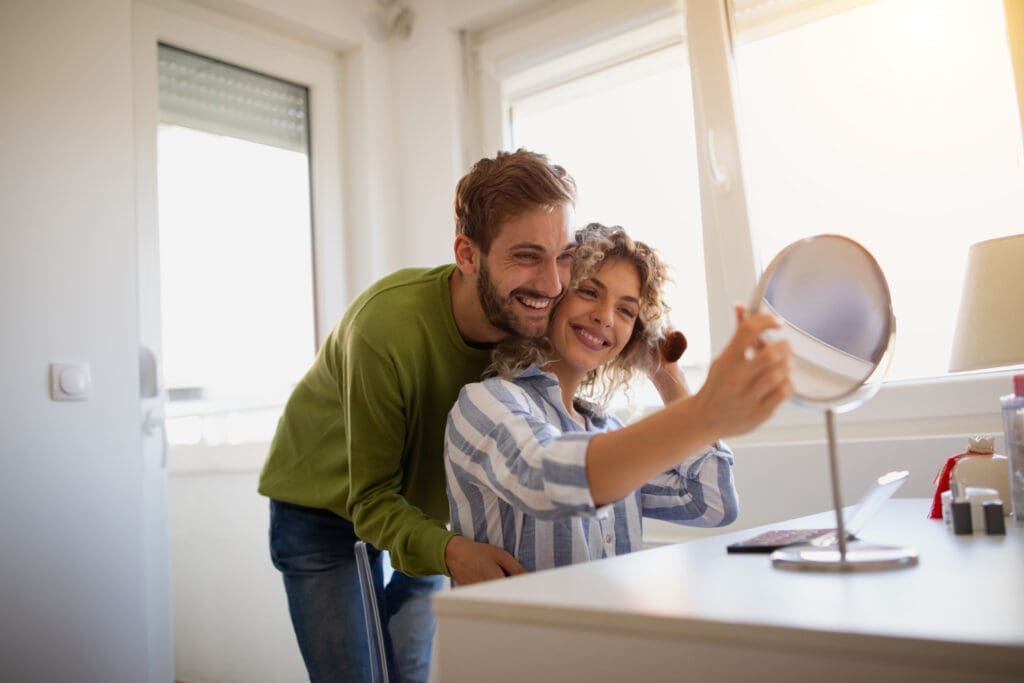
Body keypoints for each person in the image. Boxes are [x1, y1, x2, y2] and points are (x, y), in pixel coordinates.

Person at [258, 149, 579, 682]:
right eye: (527, 256)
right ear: (467, 254)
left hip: (427, 510)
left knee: (409, 671)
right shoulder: (384, 328)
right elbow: (371, 498)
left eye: (563, 255)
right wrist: (454, 553)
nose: (552, 284)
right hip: (321, 506)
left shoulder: (536, 315)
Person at [445, 224, 792, 571]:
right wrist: (703, 412)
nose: (605, 317)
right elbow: (544, 480)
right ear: (552, 294)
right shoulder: (485, 403)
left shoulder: (610, 432)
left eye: (626, 311)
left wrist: (667, 375)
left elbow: (712, 503)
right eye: (588, 291)